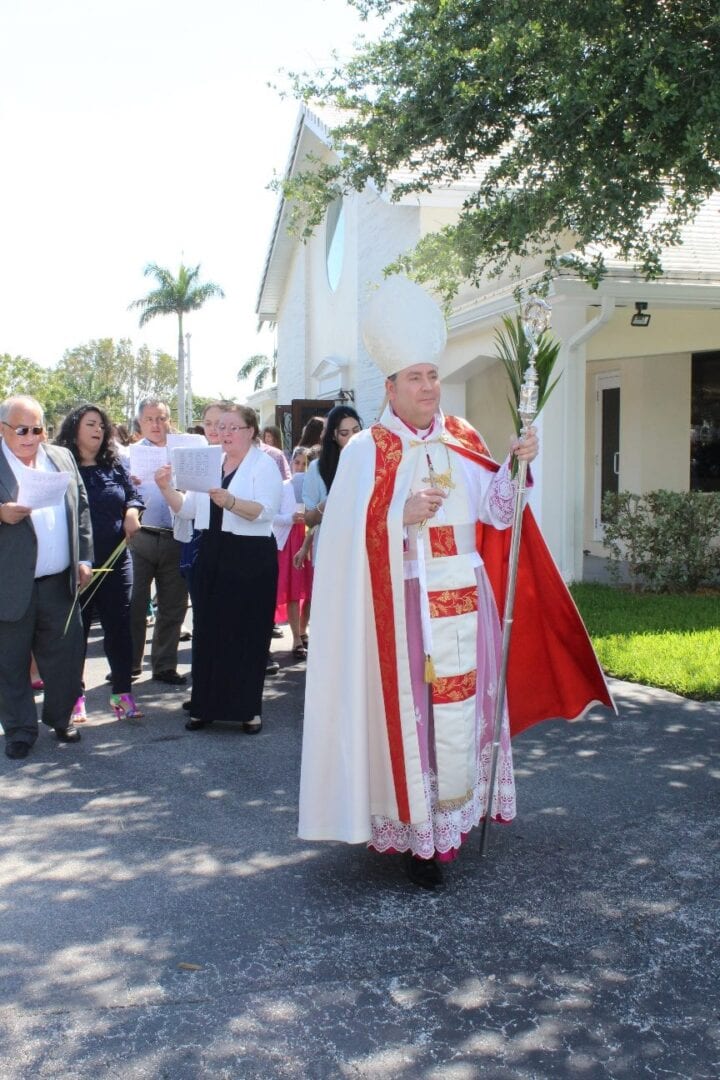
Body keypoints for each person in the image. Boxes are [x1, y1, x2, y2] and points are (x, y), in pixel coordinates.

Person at [298, 277, 614, 890]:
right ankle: (421, 839)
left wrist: (517, 466)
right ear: (389, 387)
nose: (427, 388)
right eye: (414, 378)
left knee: (466, 720)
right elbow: (341, 544)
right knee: (417, 723)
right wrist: (397, 517)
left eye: (432, 376)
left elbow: (497, 513)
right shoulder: (369, 450)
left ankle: (456, 822)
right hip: (408, 611)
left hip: (469, 606)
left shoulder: (463, 437)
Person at [156, 405, 282, 734]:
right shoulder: (211, 463)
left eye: (232, 428)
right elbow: (186, 510)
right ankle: (204, 708)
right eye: (220, 427)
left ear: (251, 431)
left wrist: (231, 502)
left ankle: (247, 711)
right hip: (211, 552)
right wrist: (166, 488)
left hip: (250, 557)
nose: (224, 433)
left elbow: (267, 512)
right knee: (209, 631)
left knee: (247, 634)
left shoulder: (263, 463)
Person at [0, 395, 93, 760]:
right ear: (3, 429)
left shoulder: (61, 457)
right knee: (10, 663)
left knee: (67, 656)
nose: (31, 436)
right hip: (10, 586)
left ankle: (60, 717)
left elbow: (81, 506)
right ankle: (20, 730)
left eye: (37, 429)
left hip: (60, 581)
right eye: (22, 429)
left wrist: (84, 558)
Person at [55, 404, 144, 721]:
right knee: (75, 634)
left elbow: (133, 496)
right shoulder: (60, 466)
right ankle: (75, 697)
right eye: (91, 424)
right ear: (74, 428)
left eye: (102, 426)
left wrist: (132, 514)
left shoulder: (114, 464)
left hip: (117, 562)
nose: (98, 430)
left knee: (119, 629)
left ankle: (122, 695)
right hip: (77, 564)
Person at [129, 398, 189, 684]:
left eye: (162, 418)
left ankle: (164, 665)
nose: (156, 424)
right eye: (150, 419)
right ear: (140, 422)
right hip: (141, 536)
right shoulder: (127, 455)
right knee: (134, 603)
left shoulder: (183, 451)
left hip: (176, 536)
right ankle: (129, 663)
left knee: (173, 605)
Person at [302, 405, 362, 564]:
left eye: (356, 430)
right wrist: (328, 502)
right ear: (333, 436)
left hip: (364, 548)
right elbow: (308, 519)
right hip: (331, 552)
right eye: (344, 433)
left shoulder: (372, 463)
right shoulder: (318, 468)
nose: (352, 437)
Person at [273, 447, 313, 658]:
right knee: (293, 590)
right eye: (297, 463)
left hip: (311, 539)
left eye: (305, 464)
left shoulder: (315, 486)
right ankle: (296, 638)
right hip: (290, 540)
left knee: (311, 590)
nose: (300, 467)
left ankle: (303, 631)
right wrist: (290, 518)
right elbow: (271, 515)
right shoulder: (282, 487)